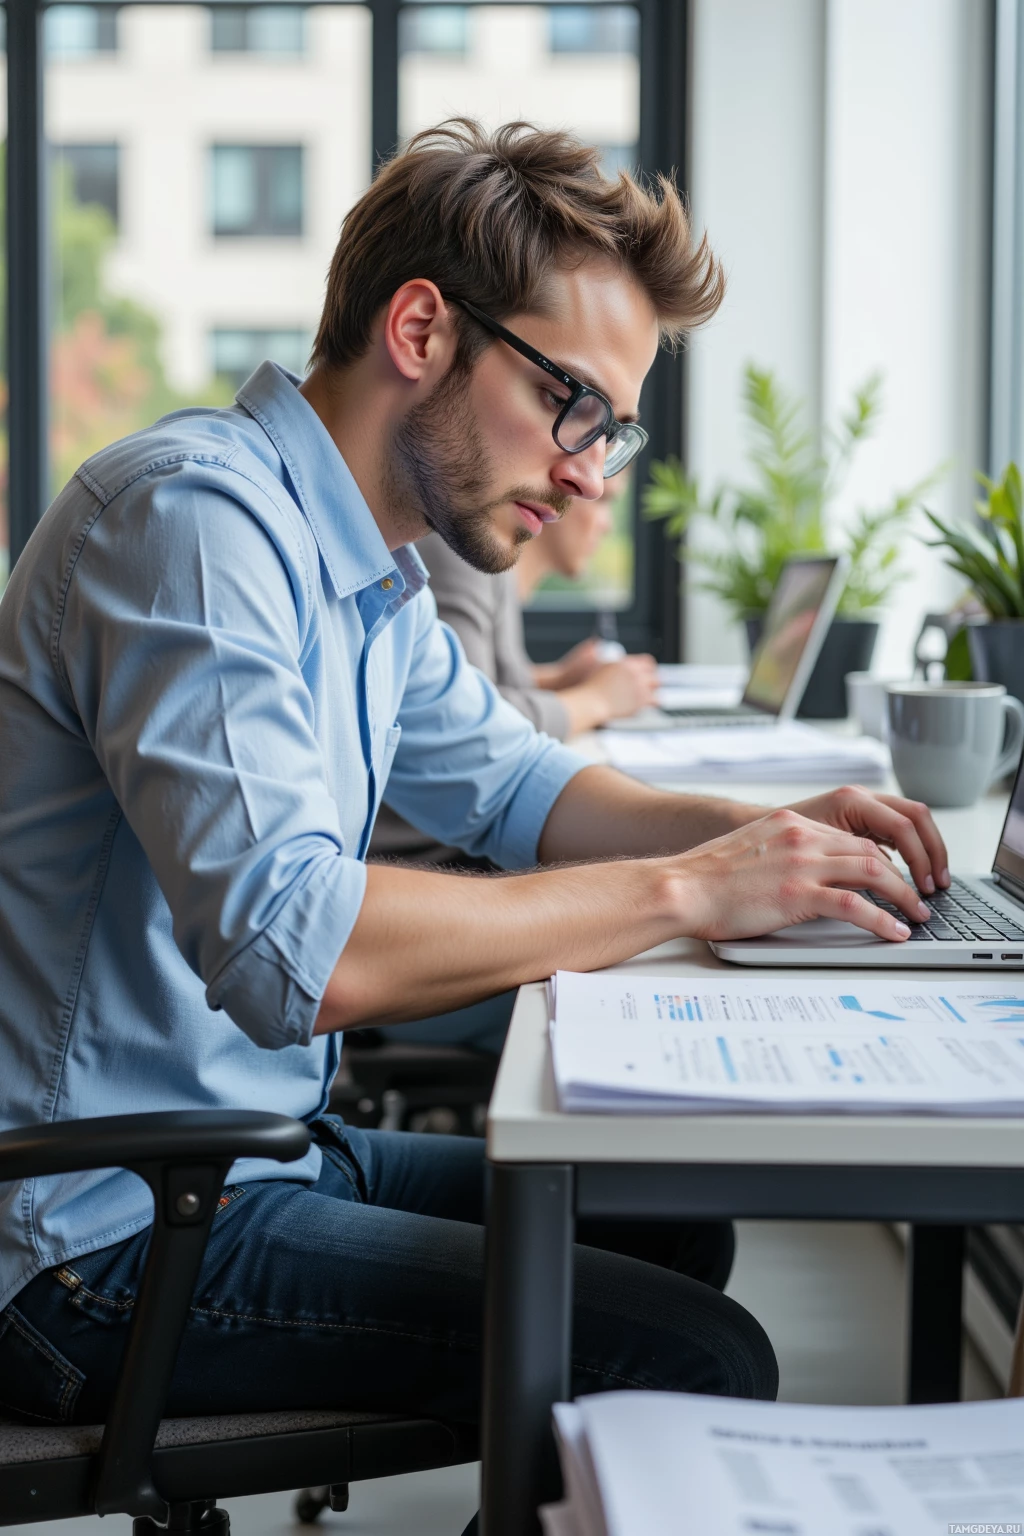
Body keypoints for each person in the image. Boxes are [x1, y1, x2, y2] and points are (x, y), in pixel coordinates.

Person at [0, 120, 949, 1439]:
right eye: (572, 405)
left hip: (245, 1160)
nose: (582, 468)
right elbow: (298, 954)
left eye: (608, 431)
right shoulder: (191, 526)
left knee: (668, 1235)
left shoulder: (372, 576)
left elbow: (527, 794)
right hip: (89, 1242)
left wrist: (773, 834)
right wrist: (690, 887)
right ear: (423, 331)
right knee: (696, 1358)